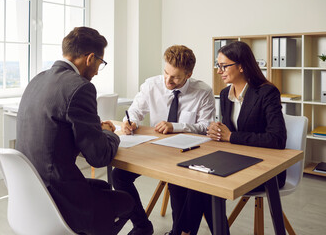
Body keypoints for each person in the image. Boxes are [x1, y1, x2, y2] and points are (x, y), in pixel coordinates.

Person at [15, 27, 134, 235]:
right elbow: (99, 157)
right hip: (58, 197)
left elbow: (56, 128)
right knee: (125, 201)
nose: (97, 71)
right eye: (100, 63)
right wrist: (111, 134)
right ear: (90, 58)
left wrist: (95, 129)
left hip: (31, 192)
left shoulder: (37, 79)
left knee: (103, 188)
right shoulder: (80, 87)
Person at [179, 41, 287, 235]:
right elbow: (230, 133)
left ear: (241, 66)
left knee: (204, 184)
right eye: (218, 65)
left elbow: (277, 139)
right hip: (233, 160)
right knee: (196, 177)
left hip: (265, 169)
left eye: (223, 66)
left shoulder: (267, 93)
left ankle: (183, 232)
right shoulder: (225, 93)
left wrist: (231, 136)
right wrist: (217, 131)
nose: (219, 70)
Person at [111, 45, 216, 235]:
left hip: (187, 153)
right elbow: (135, 111)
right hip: (155, 150)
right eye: (166, 72)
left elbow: (206, 127)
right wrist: (130, 121)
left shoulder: (203, 91)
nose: (168, 80)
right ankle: (142, 225)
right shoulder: (152, 84)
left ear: (188, 74)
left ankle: (179, 231)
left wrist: (175, 126)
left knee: (177, 182)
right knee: (119, 175)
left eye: (175, 77)